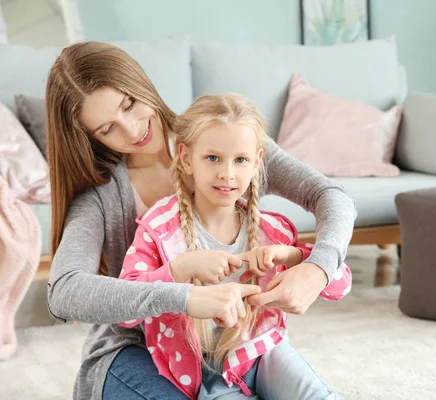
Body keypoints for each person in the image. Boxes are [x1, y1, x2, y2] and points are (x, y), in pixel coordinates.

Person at [45, 41, 356, 400]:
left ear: (140, 81)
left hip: (228, 344)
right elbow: (64, 291)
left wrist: (318, 266)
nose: (131, 131)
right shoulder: (102, 196)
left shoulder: (226, 143)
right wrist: (185, 297)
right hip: (133, 350)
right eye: (107, 129)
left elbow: (330, 195)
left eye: (129, 104)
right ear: (90, 137)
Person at [118, 93, 352, 399]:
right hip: (203, 371)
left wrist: (297, 256)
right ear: (186, 158)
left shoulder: (273, 230)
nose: (227, 173)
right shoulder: (159, 229)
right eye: (212, 158)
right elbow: (124, 306)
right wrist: (181, 269)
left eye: (240, 160)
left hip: (265, 351)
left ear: (256, 162)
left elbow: (340, 285)